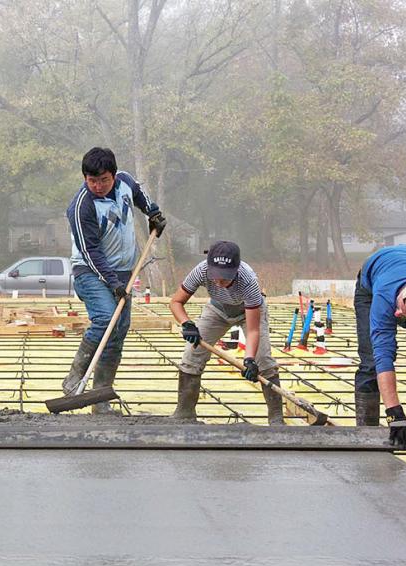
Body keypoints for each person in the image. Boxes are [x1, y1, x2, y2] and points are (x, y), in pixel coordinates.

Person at [63, 147, 166, 413]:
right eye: (91, 180)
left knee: (118, 333)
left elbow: (141, 196)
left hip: (123, 272)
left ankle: (100, 399)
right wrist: (112, 282)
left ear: (113, 176)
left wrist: (153, 213)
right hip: (90, 271)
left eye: (103, 180)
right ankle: (76, 375)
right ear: (85, 178)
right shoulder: (81, 207)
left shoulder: (126, 182)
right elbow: (90, 252)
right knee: (106, 319)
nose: (98, 186)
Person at [169, 241, 283, 424]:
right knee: (192, 355)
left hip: (248, 312)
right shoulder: (201, 270)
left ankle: (276, 419)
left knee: (263, 361)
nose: (219, 283)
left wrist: (249, 360)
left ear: (236, 269)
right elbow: (176, 302)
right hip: (217, 310)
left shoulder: (248, 281)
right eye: (216, 277)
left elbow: (253, 330)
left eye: (225, 278)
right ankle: (185, 412)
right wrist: (187, 323)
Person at [353, 244, 406, 449]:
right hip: (372, 284)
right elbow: (383, 355)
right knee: (371, 362)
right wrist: (394, 413)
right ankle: (367, 440)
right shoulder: (384, 296)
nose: (398, 316)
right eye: (400, 307)